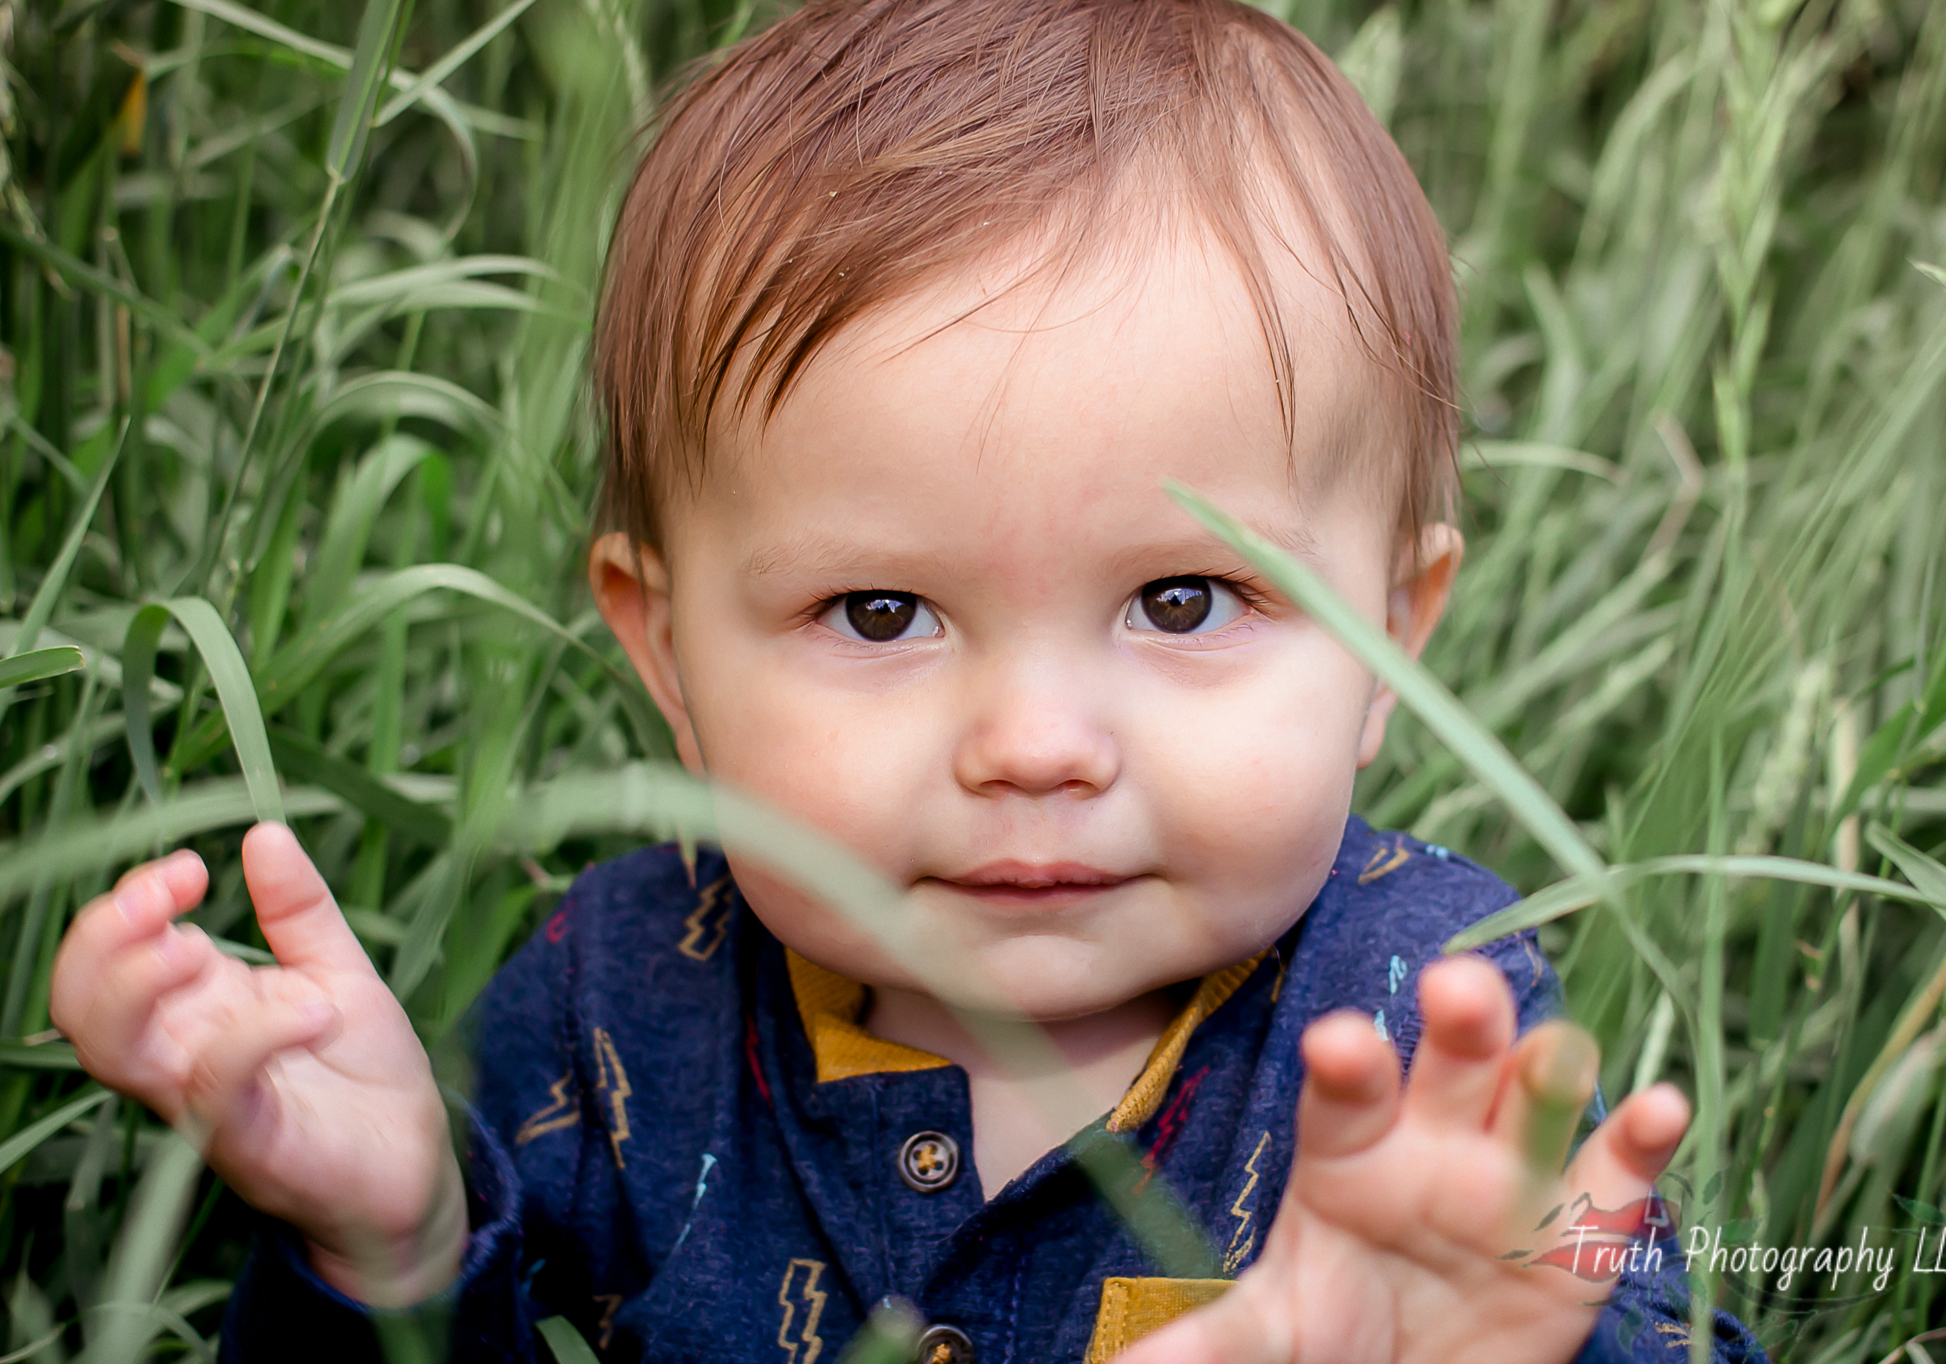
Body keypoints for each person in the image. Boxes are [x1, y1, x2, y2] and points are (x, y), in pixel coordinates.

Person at [50, 2, 1766, 1360]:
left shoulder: (1414, 1019)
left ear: (1395, 638)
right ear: (667, 652)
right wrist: (395, 1242)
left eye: (1181, 598)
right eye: (881, 615)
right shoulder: (609, 1009)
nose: (1032, 748)